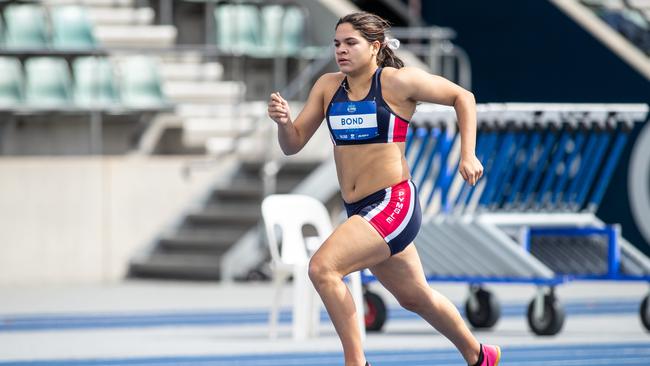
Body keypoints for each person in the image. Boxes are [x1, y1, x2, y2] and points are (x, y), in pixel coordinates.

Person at [267, 11, 499, 366]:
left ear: (374, 47)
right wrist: (284, 123)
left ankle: (356, 362)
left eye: (350, 43)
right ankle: (480, 355)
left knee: (323, 269)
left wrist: (467, 154)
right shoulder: (328, 87)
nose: (341, 50)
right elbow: (293, 144)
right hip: (359, 209)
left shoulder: (395, 82)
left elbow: (462, 97)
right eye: (336, 44)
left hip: (393, 202)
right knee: (414, 297)